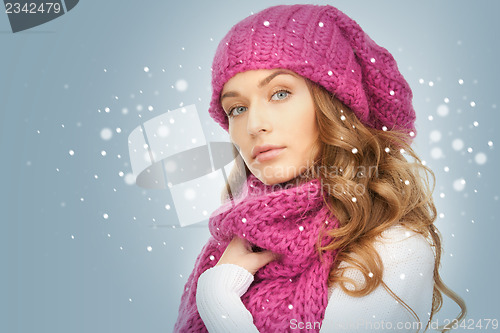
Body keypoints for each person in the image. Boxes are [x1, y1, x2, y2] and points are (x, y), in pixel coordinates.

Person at [174, 4, 466, 332]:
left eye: (280, 93)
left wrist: (218, 302)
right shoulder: (238, 242)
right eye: (237, 108)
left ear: (332, 104)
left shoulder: (392, 248)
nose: (254, 124)